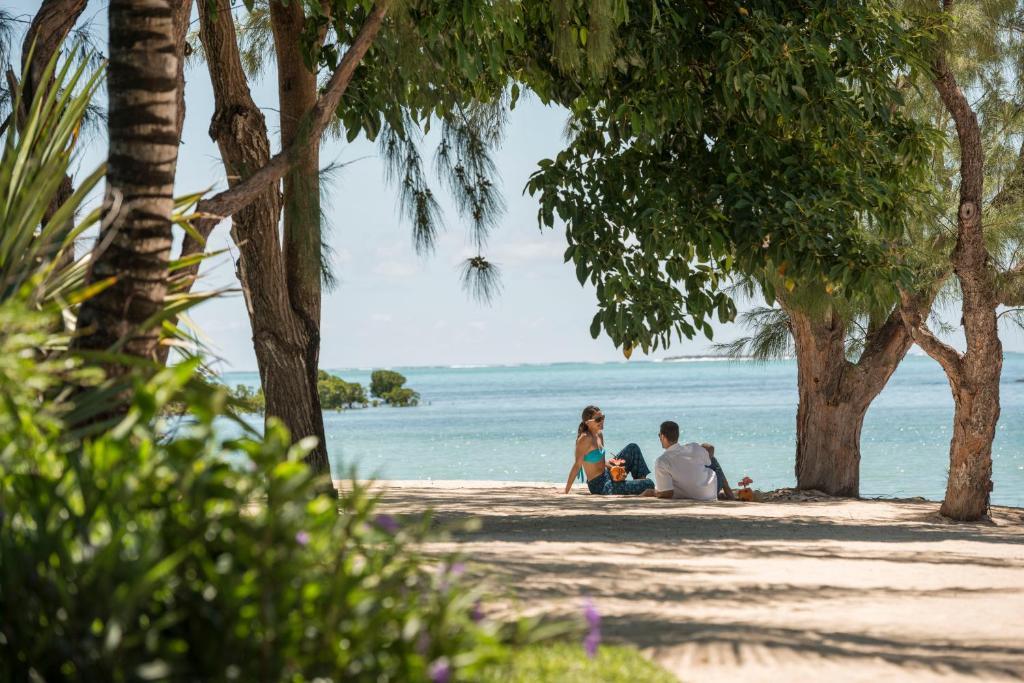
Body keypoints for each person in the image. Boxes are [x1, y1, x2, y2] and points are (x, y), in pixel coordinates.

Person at [563, 405, 655, 496]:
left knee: (633, 448)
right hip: (600, 485)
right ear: (587, 422)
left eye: (602, 417)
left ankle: (639, 482)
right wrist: (566, 491)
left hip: (607, 474)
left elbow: (601, 462)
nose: (602, 421)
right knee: (649, 484)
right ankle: (640, 486)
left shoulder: (599, 434)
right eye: (598, 419)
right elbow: (577, 466)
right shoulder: (584, 439)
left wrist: (614, 468)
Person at [653, 421, 734, 501]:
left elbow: (667, 493)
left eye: (659, 435)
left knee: (709, 459)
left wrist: (654, 492)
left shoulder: (661, 461)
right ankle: (730, 494)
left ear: (662, 436)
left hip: (692, 495)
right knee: (712, 460)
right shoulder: (693, 447)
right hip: (710, 493)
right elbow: (711, 448)